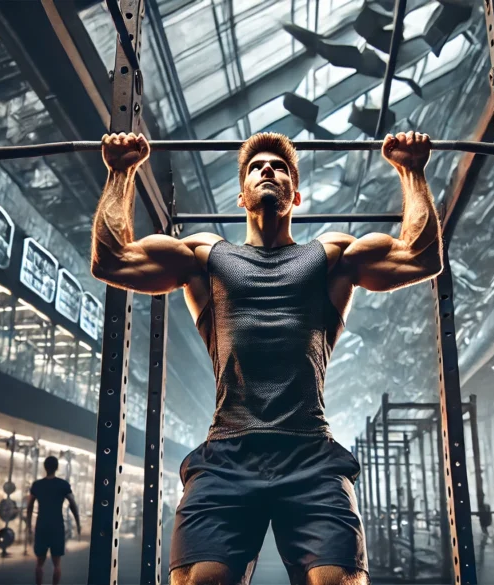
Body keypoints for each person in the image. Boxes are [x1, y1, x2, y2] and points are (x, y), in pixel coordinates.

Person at [90, 131, 442, 585]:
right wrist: (120, 173)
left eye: (278, 167)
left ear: (295, 194)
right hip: (227, 453)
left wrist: (412, 171)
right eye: (257, 167)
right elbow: (111, 261)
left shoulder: (331, 255)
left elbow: (421, 257)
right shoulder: (207, 257)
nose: (268, 170)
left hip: (310, 453)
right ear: (241, 196)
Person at [26, 455, 81, 585]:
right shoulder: (63, 485)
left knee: (39, 563)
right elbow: (72, 503)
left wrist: (29, 526)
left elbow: (29, 507)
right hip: (57, 526)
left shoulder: (37, 485)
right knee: (57, 564)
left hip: (42, 525)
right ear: (56, 468)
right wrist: (77, 523)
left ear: (45, 467)